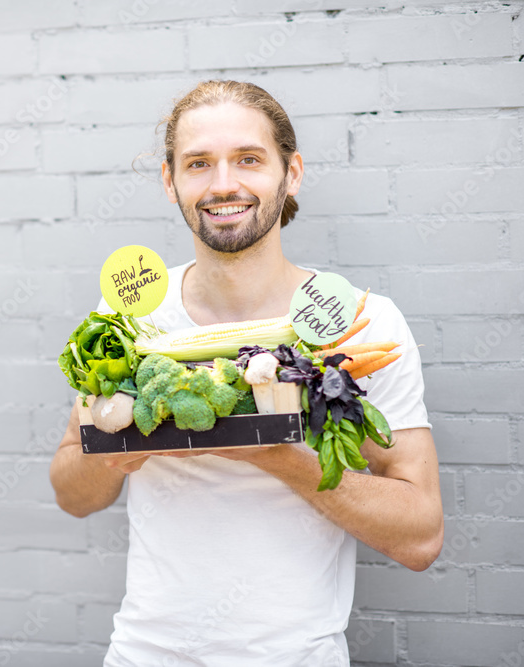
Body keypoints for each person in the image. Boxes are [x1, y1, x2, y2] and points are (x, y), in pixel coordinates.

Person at [48, 81, 443, 666]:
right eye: (198, 163)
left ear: (292, 173)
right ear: (170, 181)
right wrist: (119, 447)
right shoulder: (129, 321)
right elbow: (71, 494)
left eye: (249, 160)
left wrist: (274, 452)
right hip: (144, 654)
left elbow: (421, 537)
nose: (223, 183)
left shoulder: (361, 323)